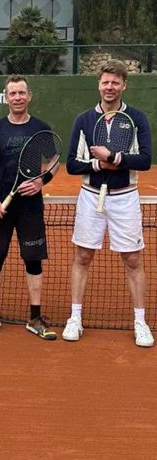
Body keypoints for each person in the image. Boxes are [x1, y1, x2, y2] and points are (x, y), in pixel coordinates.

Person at [62, 60, 153, 347]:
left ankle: (140, 322)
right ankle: (75, 318)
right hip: (91, 196)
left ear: (124, 85)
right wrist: (100, 164)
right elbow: (73, 166)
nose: (110, 87)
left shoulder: (137, 119)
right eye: (105, 82)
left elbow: (145, 160)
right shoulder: (84, 120)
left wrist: (114, 158)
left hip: (126, 197)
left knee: (133, 259)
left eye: (115, 82)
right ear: (98, 85)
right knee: (83, 257)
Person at [0, 75, 59, 340]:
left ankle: (35, 317)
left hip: (30, 206)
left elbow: (55, 159)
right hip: (0, 206)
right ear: (6, 97)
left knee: (33, 260)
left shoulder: (41, 129)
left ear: (29, 96)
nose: (18, 97)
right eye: (13, 93)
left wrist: (41, 182)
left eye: (22, 93)